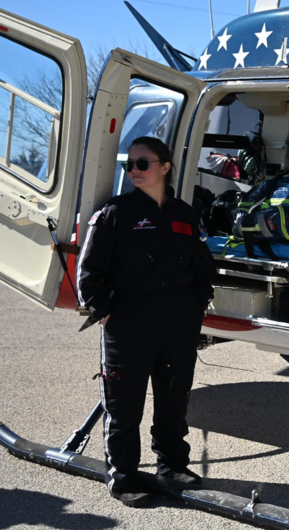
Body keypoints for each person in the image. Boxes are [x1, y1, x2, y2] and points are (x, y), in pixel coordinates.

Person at [77, 136, 215, 507]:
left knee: (173, 399)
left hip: (178, 325)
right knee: (125, 406)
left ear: (164, 167)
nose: (134, 171)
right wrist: (106, 313)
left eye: (142, 164)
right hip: (129, 324)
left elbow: (203, 268)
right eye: (130, 165)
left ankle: (172, 466)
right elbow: (89, 272)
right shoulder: (116, 213)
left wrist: (196, 307)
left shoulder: (186, 215)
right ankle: (123, 478)